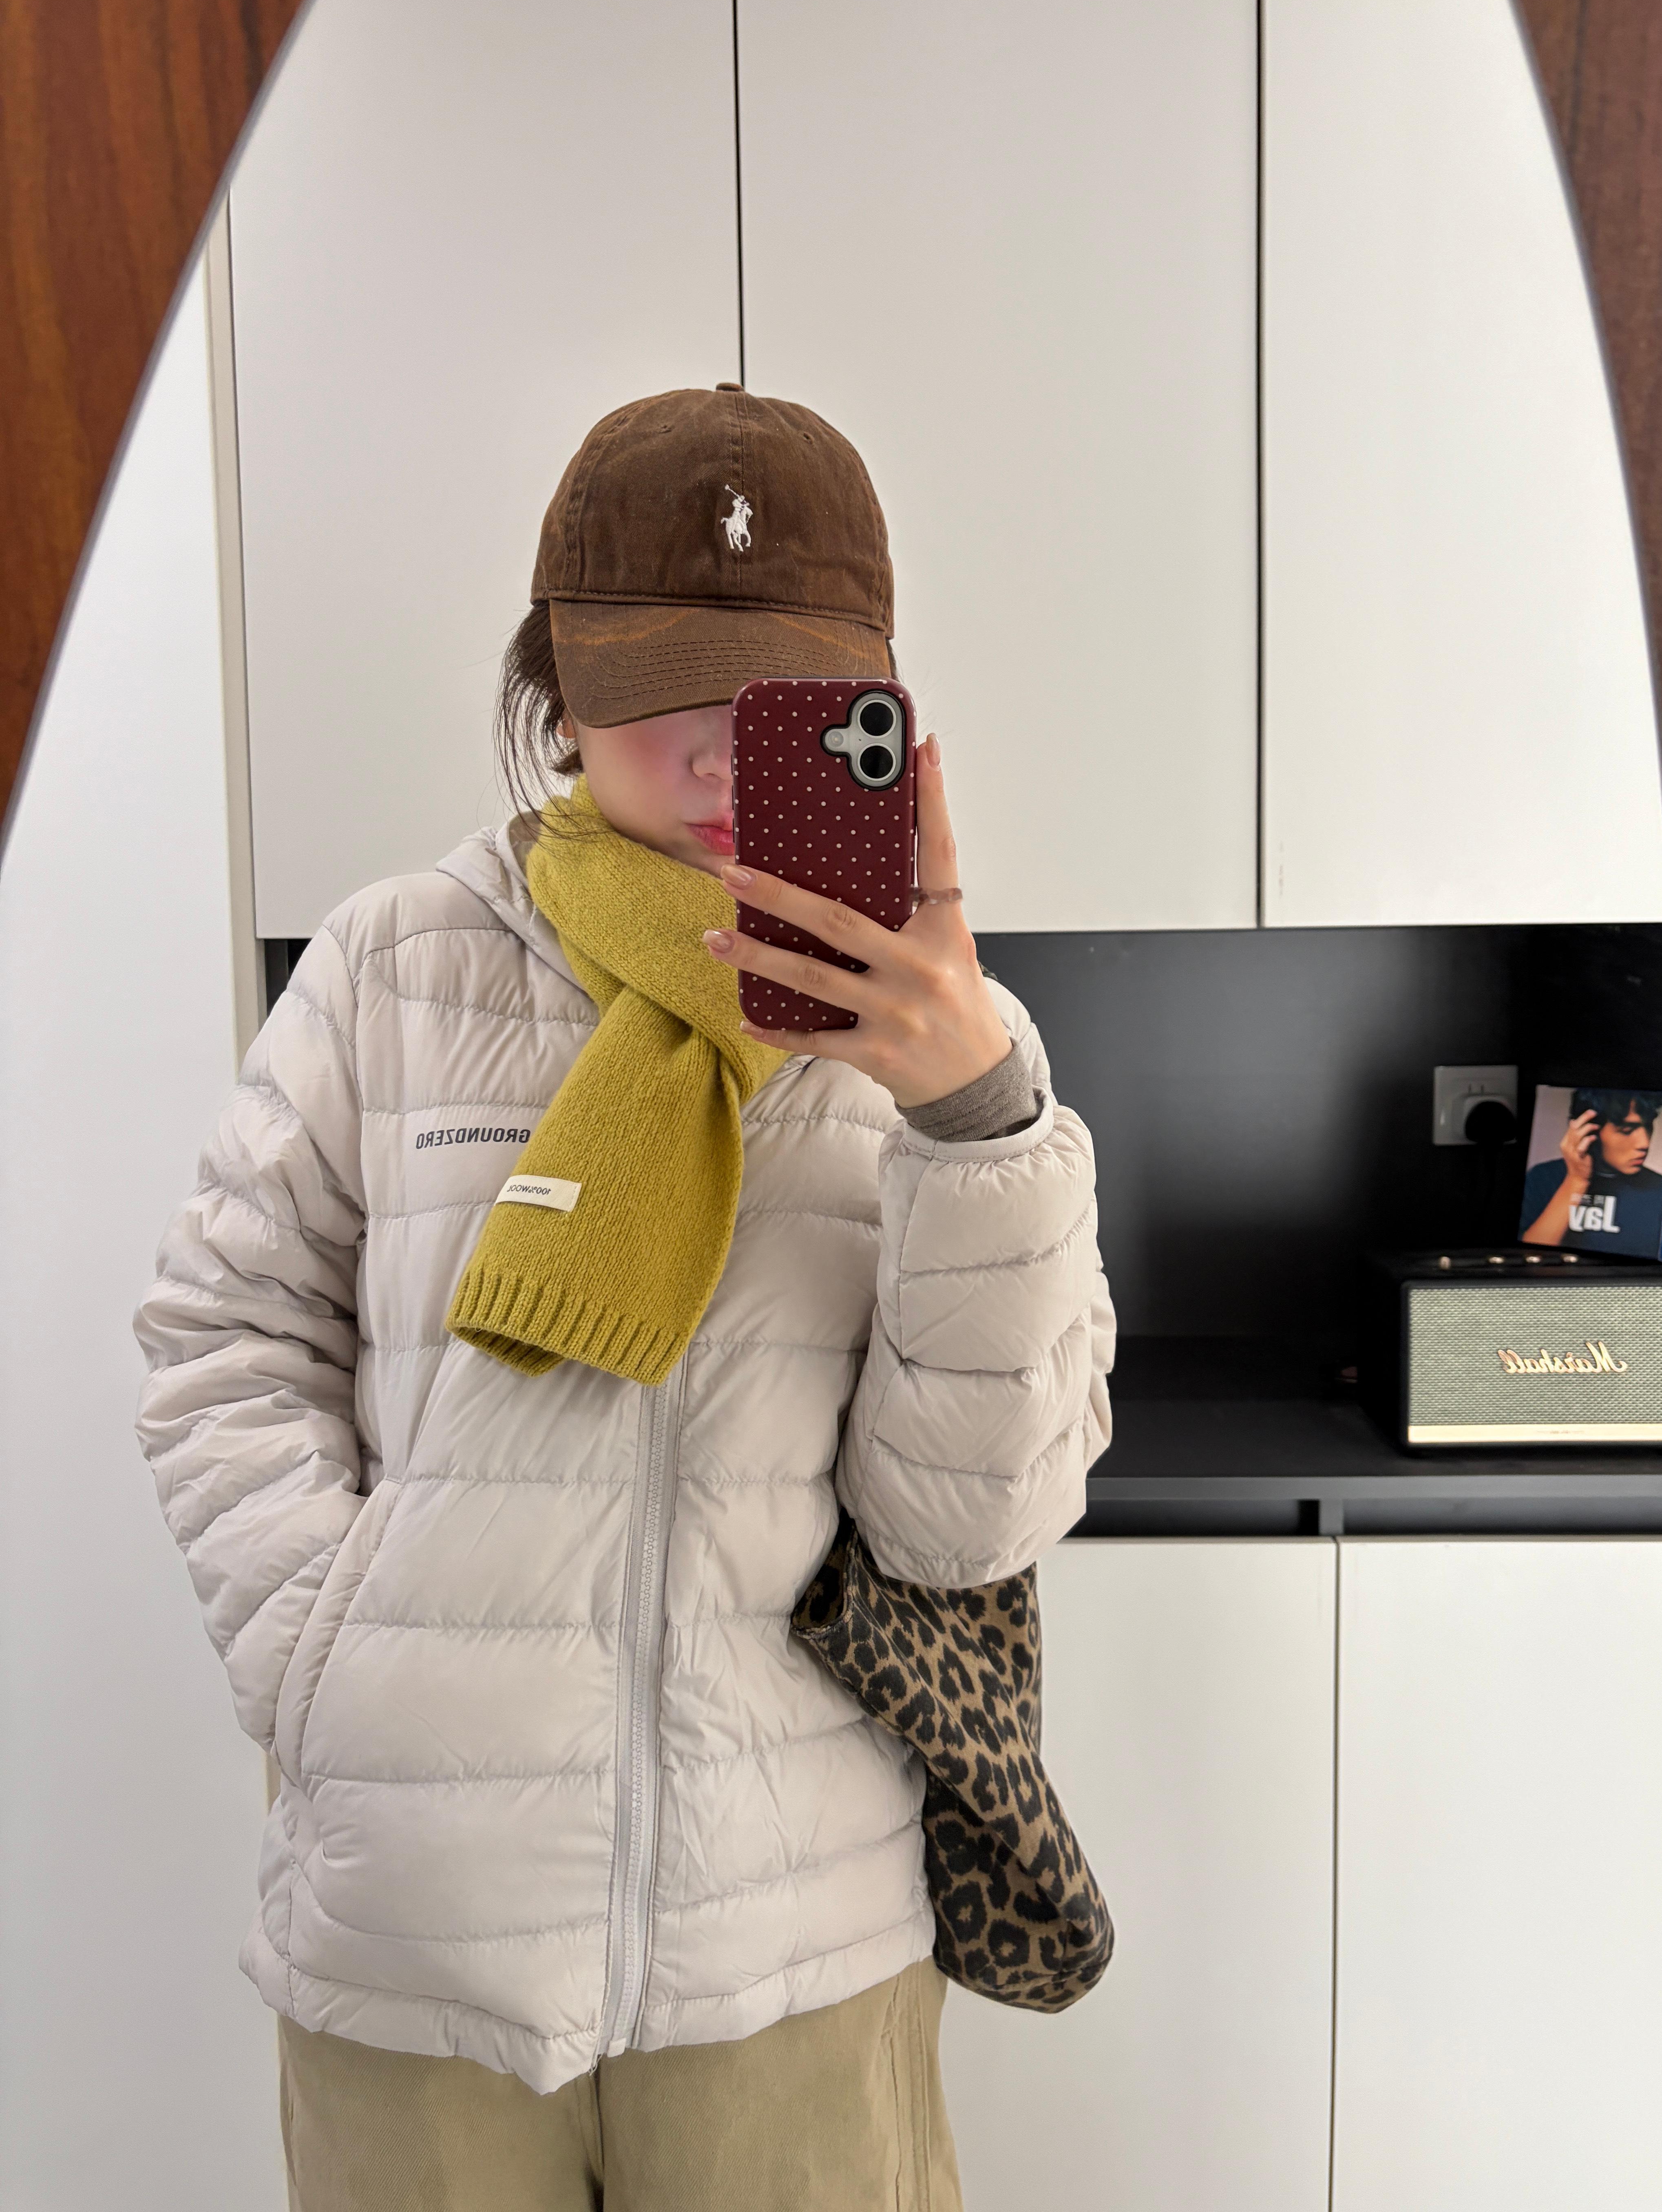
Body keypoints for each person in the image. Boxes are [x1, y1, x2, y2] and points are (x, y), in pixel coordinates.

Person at [135, 384, 1114, 2212]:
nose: (727, 746)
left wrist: (972, 1116)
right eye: (668, 681)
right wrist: (328, 1665)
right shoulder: (393, 969)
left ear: (872, 706)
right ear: (556, 688)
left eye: (783, 692)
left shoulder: (939, 1037)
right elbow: (223, 1336)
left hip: (793, 1951)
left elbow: (962, 1522)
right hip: (415, 1944)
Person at [1519, 1086, 1662, 1256]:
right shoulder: (1542, 1178)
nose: (1645, 1143)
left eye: (1649, 1126)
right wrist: (1577, 1180)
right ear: (1587, 1130)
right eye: (1627, 1130)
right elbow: (1531, 1257)